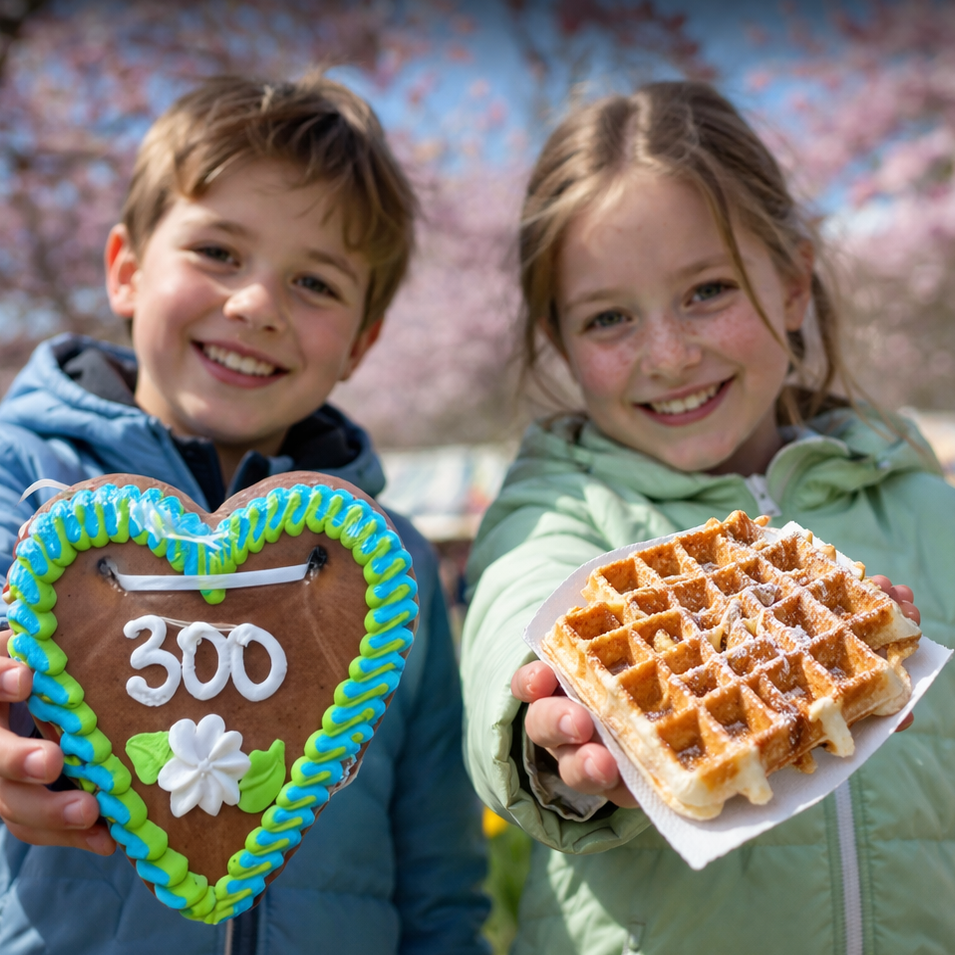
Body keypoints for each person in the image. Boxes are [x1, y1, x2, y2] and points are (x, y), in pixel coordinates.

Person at [461, 81, 955, 955]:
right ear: (560, 341)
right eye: (608, 317)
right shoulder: (555, 507)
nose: (668, 352)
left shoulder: (917, 500)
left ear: (794, 284)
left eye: (706, 291)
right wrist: (552, 756)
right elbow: (516, 617)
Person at [0, 75, 488, 955]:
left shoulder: (391, 572)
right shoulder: (20, 495)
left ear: (361, 343)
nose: (256, 305)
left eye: (313, 281)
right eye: (218, 253)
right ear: (125, 270)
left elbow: (439, 871)